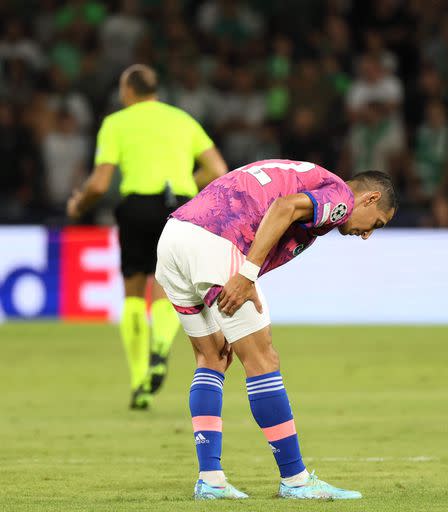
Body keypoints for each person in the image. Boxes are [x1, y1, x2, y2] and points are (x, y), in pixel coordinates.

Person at [153, 159, 397, 500]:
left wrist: (244, 275)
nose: (368, 233)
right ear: (370, 199)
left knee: (212, 357)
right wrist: (247, 274)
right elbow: (283, 207)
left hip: (174, 237)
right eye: (378, 224)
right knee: (262, 359)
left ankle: (211, 480)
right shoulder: (340, 197)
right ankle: (296, 481)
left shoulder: (309, 178)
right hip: (216, 241)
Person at [66, 64, 227, 408]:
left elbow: (98, 184)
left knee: (135, 290)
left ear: (127, 91)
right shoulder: (182, 119)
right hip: (179, 208)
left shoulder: (116, 123)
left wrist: (79, 204)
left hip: (136, 207)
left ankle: (140, 381)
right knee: (167, 286)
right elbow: (218, 170)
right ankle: (160, 347)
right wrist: (185, 184)